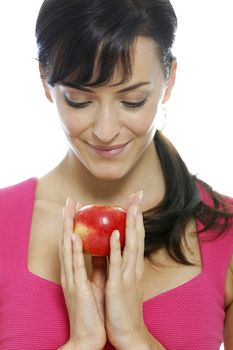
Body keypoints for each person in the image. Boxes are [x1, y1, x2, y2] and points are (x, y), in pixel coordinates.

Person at [0, 0, 232, 349]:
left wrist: (135, 338)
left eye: (133, 100)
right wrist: (81, 344)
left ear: (169, 81)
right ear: (46, 82)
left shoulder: (226, 233)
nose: (105, 131)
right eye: (79, 100)